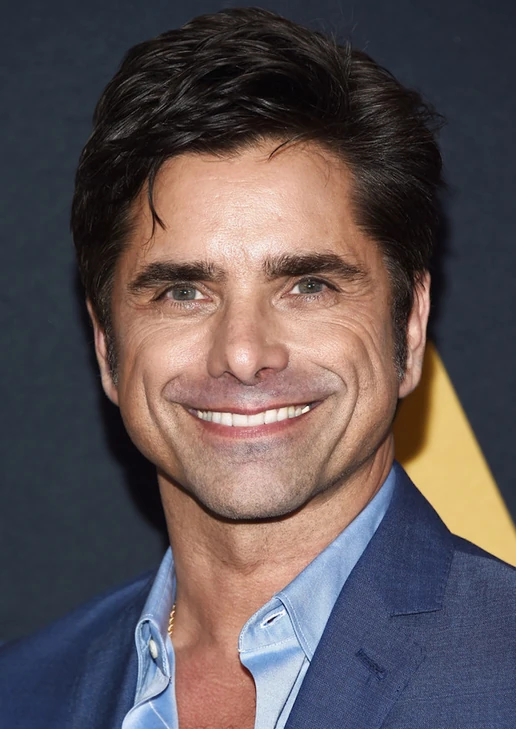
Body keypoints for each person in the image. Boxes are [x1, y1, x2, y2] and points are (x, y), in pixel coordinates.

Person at [1, 7, 515, 728]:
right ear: (107, 344)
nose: (243, 355)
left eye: (309, 286)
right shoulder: (23, 693)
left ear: (409, 325)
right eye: (184, 292)